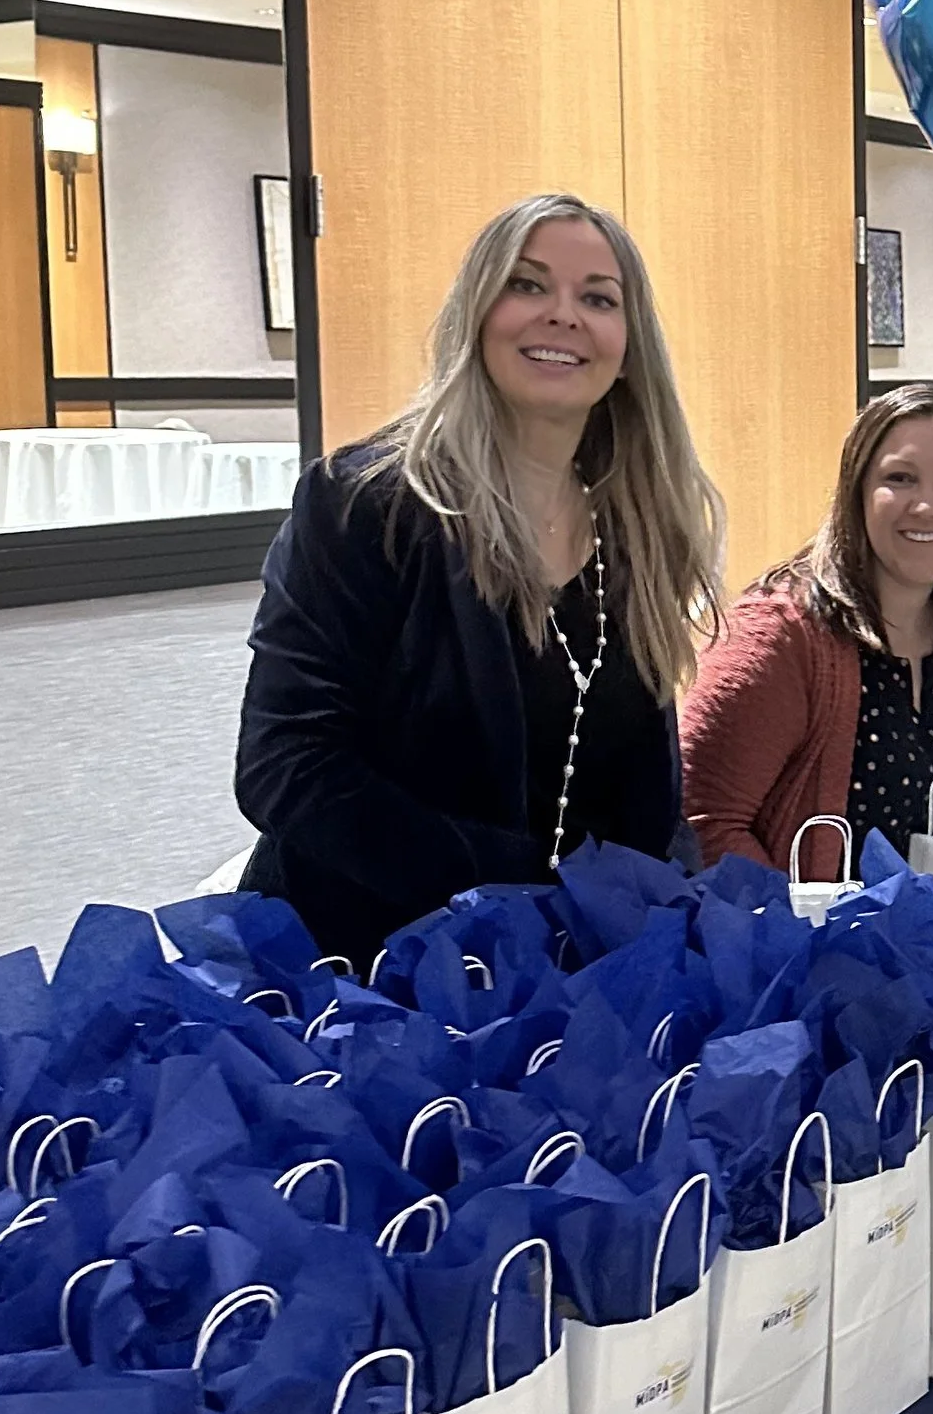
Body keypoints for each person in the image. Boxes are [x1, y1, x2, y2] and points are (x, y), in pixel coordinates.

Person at [236, 194, 723, 972]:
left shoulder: (635, 531)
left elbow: (648, 804)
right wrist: (521, 893)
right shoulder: (367, 506)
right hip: (357, 979)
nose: (563, 314)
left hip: (562, 976)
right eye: (527, 285)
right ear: (476, 313)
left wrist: (667, 929)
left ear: (628, 348)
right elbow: (285, 765)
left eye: (598, 297)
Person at [681, 381, 933, 872]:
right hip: (791, 942)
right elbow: (700, 819)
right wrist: (807, 934)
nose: (926, 505)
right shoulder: (780, 635)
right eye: (900, 478)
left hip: (914, 939)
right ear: (856, 492)